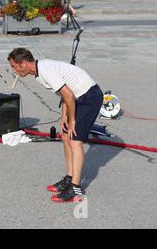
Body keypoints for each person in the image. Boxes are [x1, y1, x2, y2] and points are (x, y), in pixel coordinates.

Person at [7, 48, 103, 203]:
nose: (14, 70)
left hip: (90, 97)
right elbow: (65, 93)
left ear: (23, 64)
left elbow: (69, 94)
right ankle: (70, 177)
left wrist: (72, 120)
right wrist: (64, 116)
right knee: (65, 135)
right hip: (77, 97)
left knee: (75, 139)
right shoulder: (39, 73)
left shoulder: (45, 71)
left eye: (14, 66)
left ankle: (75, 187)